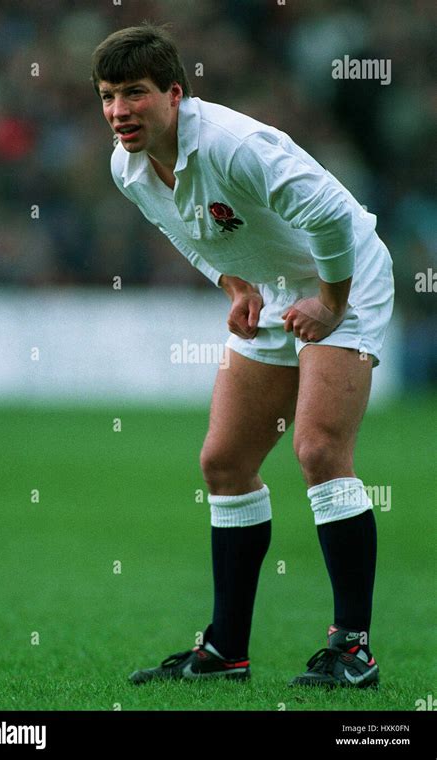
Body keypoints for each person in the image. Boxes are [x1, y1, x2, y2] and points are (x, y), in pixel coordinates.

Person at [91, 22, 394, 688]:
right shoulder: (128, 166)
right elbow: (190, 233)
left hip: (345, 278)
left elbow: (333, 222)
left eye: (134, 93)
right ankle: (226, 650)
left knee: (317, 450)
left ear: (175, 93)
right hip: (282, 289)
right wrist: (235, 282)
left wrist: (331, 304)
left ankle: (354, 651)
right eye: (109, 95)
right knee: (224, 463)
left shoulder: (236, 145)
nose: (118, 110)